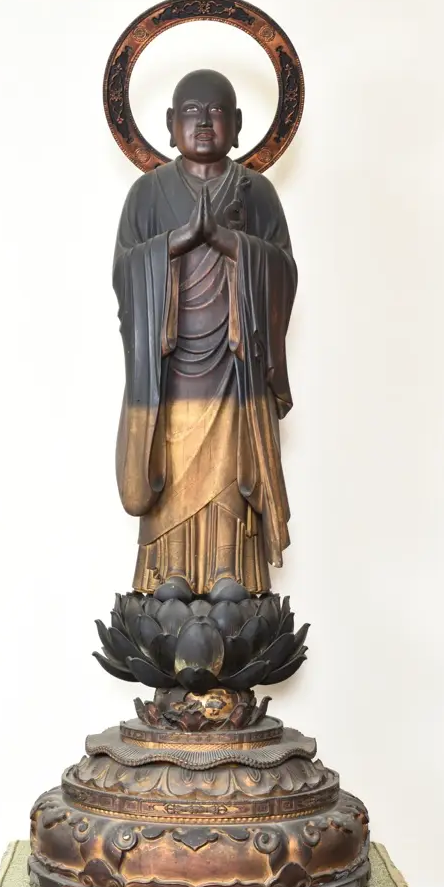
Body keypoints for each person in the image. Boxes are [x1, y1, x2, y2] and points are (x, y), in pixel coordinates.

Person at [113, 69, 296, 598]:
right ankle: (168, 572)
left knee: (230, 466)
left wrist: (231, 242)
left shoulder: (256, 192)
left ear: (236, 125)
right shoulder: (147, 194)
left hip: (235, 361)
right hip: (169, 363)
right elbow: (124, 272)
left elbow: (284, 271)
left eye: (216, 112)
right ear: (171, 124)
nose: (203, 122)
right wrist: (175, 242)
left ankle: (228, 571)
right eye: (191, 112)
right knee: (169, 464)